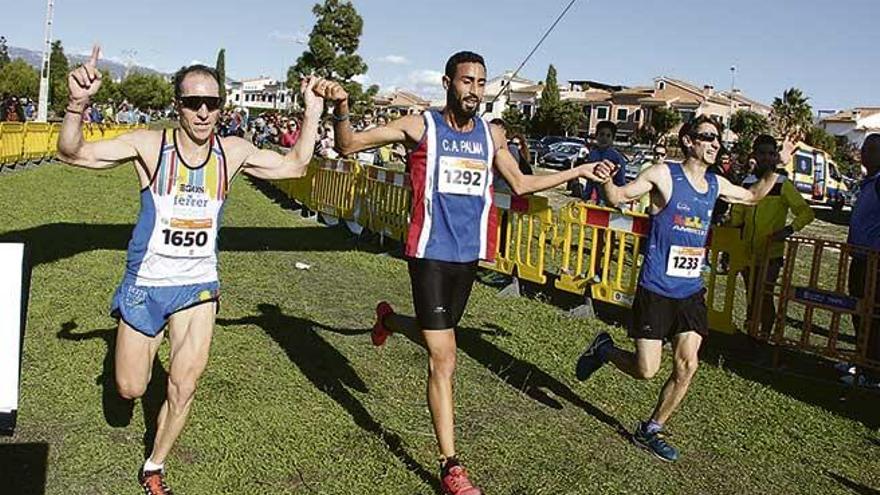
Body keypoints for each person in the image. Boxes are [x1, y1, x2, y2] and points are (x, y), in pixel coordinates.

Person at [314, 51, 607, 495]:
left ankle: (389, 320)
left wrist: (580, 170)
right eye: (467, 81)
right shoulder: (420, 126)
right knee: (444, 356)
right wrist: (342, 110)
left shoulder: (491, 137)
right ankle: (451, 466)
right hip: (429, 253)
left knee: (442, 336)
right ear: (448, 82)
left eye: (481, 82)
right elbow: (348, 145)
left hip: (467, 258)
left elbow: (522, 185)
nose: (475, 90)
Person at [57, 45, 327, 494]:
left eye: (212, 103)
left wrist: (313, 111)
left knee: (184, 384)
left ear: (222, 106)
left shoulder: (233, 152)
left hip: (197, 286)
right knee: (129, 389)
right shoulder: (149, 146)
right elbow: (73, 152)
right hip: (145, 285)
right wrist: (76, 104)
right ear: (177, 105)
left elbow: (295, 164)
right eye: (192, 103)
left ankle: (155, 466)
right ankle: (135, 345)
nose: (203, 113)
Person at [574, 115, 782, 462]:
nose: (715, 144)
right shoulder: (662, 174)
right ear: (688, 141)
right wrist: (608, 182)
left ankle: (651, 428)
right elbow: (620, 198)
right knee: (646, 370)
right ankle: (604, 349)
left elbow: (752, 196)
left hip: (690, 293)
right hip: (656, 289)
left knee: (687, 365)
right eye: (708, 137)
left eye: (718, 139)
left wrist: (777, 167)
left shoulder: (716, 184)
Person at [727, 134, 813, 338]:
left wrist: (788, 230)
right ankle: (751, 331)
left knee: (763, 295)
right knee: (751, 295)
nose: (767, 158)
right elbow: (738, 214)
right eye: (762, 153)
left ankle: (764, 334)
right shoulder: (747, 182)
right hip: (747, 252)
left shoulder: (782, 183)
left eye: (771, 154)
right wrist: (730, 225)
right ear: (754, 155)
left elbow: (806, 212)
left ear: (776, 157)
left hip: (771, 254)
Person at [841, 133, 880, 387]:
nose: (864, 153)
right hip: (860, 258)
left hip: (874, 262)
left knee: (871, 315)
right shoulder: (868, 182)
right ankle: (860, 359)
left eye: (871, 149)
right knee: (858, 310)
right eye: (864, 148)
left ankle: (872, 370)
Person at [576, 120, 627, 203]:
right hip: (594, 198)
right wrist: (585, 196)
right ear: (596, 136)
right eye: (601, 134)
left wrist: (619, 199)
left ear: (613, 139)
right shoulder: (593, 154)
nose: (604, 138)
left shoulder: (616, 157)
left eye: (608, 136)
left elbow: (621, 181)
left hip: (610, 196)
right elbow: (590, 180)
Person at [636, 144, 667, 213]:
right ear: (653, 154)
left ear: (665, 156)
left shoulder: (666, 170)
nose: (659, 157)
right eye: (657, 154)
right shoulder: (646, 167)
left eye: (662, 155)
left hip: (659, 208)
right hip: (645, 206)